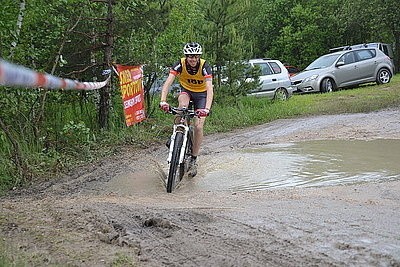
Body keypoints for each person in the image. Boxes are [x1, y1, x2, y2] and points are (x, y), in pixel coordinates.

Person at [159, 42, 214, 177]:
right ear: (186, 56)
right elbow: (168, 82)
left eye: (195, 56)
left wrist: (206, 109)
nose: (193, 59)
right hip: (187, 92)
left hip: (201, 95)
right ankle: (176, 134)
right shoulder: (180, 64)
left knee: (198, 127)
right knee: (181, 107)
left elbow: (210, 89)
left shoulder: (205, 66)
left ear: (199, 56)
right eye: (190, 56)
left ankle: (194, 159)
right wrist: (163, 101)